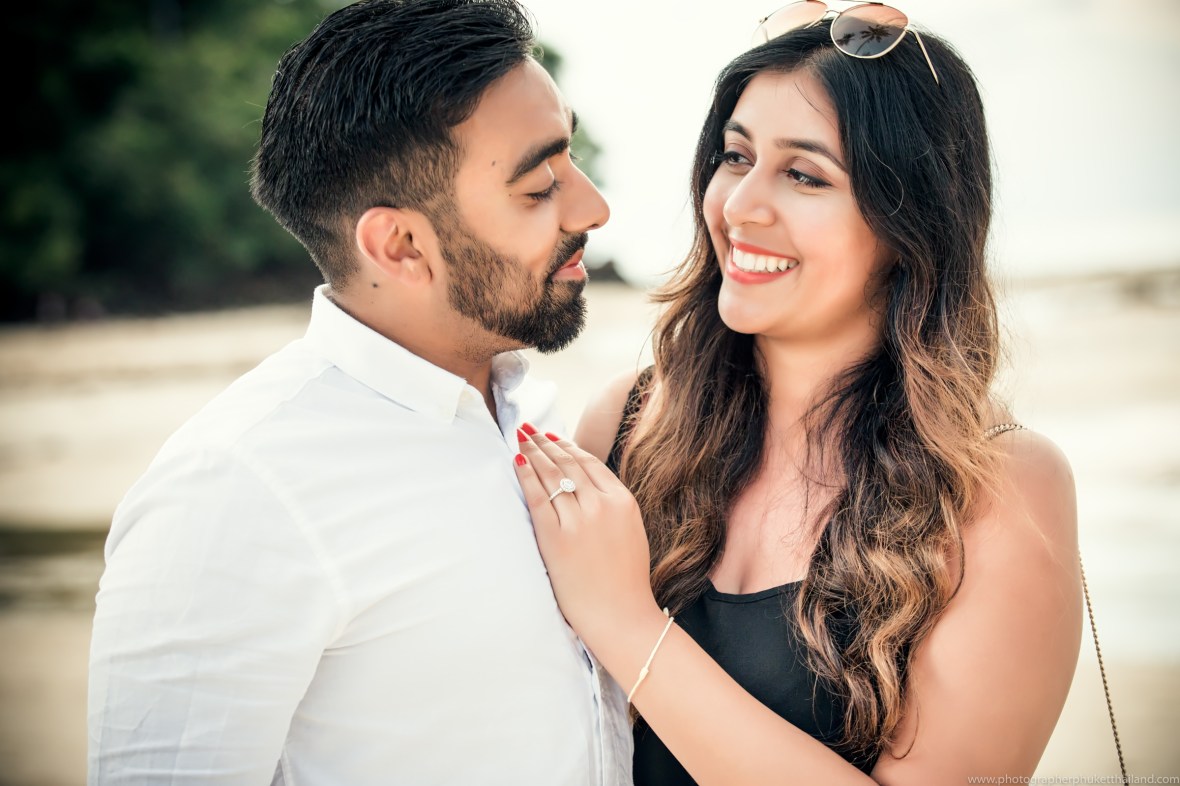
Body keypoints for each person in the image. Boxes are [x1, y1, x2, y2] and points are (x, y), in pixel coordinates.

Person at [511, 4, 1082, 784]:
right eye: (736, 157)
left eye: (805, 174)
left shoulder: (1000, 489)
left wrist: (629, 626)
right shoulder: (630, 422)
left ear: (910, 218)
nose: (740, 206)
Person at [86, 1, 632, 783]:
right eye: (540, 186)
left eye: (570, 161)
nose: (594, 208)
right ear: (400, 245)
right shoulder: (237, 489)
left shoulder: (536, 419)